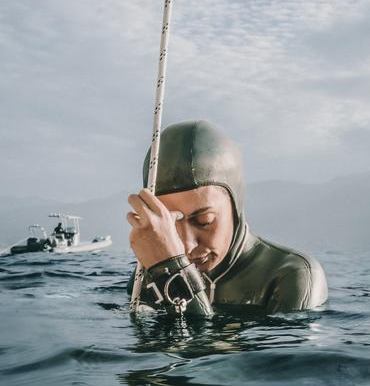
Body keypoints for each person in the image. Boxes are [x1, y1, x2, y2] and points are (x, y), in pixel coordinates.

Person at [126, 121, 328, 316]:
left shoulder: (293, 277)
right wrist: (168, 268)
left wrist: (173, 270)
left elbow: (196, 345)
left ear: (235, 207)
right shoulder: (150, 274)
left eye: (205, 221)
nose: (186, 246)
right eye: (170, 225)